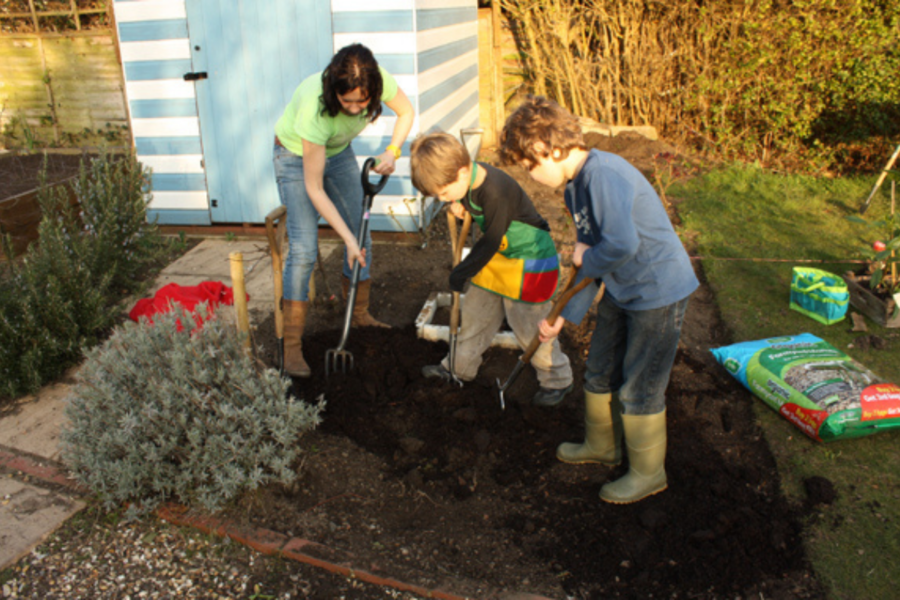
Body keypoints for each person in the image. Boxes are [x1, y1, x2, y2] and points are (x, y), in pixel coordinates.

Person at [499, 96, 698, 504]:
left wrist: (587, 256)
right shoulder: (575, 190)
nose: (532, 175)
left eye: (530, 165)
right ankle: (602, 445)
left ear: (548, 148)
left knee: (640, 386)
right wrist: (563, 317)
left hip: (657, 291)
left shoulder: (604, 176)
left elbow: (620, 245)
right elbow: (586, 262)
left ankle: (648, 473)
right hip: (623, 289)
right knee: (599, 369)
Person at [273, 44, 415, 378]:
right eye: (345, 100)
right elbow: (314, 188)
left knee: (362, 236)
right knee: (305, 250)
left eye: (361, 101)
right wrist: (347, 239)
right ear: (333, 89)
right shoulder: (314, 107)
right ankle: (291, 347)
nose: (353, 108)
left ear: (373, 90)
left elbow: (406, 112)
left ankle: (360, 314)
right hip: (295, 159)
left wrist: (393, 151)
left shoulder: (381, 81)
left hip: (338, 154)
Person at [410, 131, 574, 407]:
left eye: (444, 192)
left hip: (528, 261)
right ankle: (458, 368)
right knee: (475, 313)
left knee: (529, 327)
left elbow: (492, 237)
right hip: (497, 256)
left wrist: (462, 271)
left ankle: (557, 380)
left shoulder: (496, 190)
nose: (442, 199)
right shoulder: (469, 182)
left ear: (462, 172)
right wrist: (463, 206)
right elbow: (482, 218)